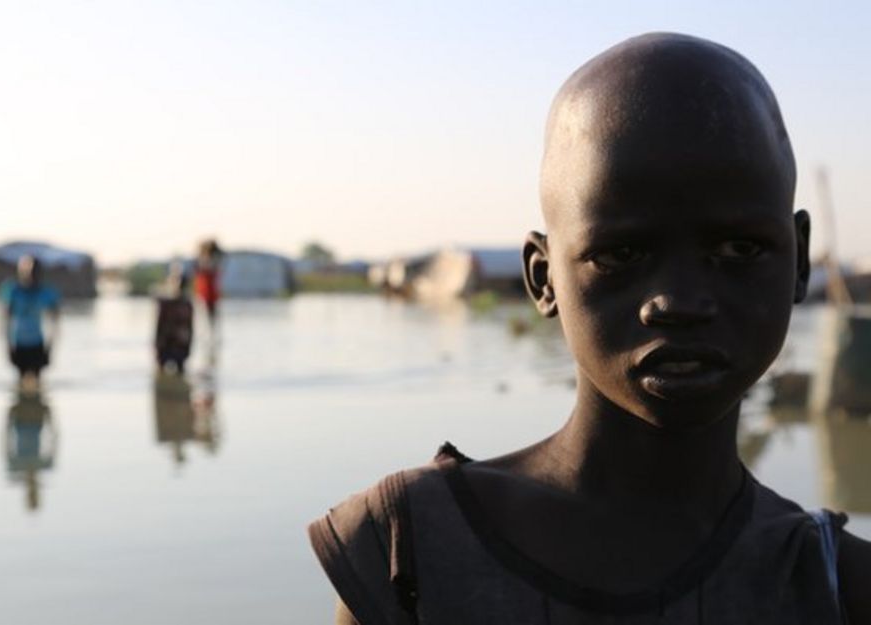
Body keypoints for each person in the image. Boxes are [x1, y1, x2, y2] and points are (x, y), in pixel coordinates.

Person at [308, 33, 871, 624]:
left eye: (738, 247)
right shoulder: (409, 553)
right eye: (621, 254)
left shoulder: (837, 589)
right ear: (543, 277)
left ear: (799, 260)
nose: (676, 302)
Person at [0, 255, 60, 390]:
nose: (32, 275)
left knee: (38, 384)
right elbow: (6, 320)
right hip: (19, 343)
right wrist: (8, 345)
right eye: (28, 271)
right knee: (20, 383)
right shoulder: (13, 291)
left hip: (37, 343)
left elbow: (55, 321)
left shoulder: (46, 292)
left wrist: (51, 346)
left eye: (35, 271)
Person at [155, 262, 194, 374]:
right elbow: (159, 326)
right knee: (161, 375)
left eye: (182, 284)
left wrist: (188, 349)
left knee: (181, 371)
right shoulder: (165, 303)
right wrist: (157, 347)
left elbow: (190, 328)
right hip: (165, 346)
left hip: (180, 347)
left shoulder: (187, 305)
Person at [193, 239, 224, 330]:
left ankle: (210, 333)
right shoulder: (207, 261)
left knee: (210, 317)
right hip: (205, 293)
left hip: (208, 293)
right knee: (208, 318)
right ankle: (210, 333)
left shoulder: (210, 261)